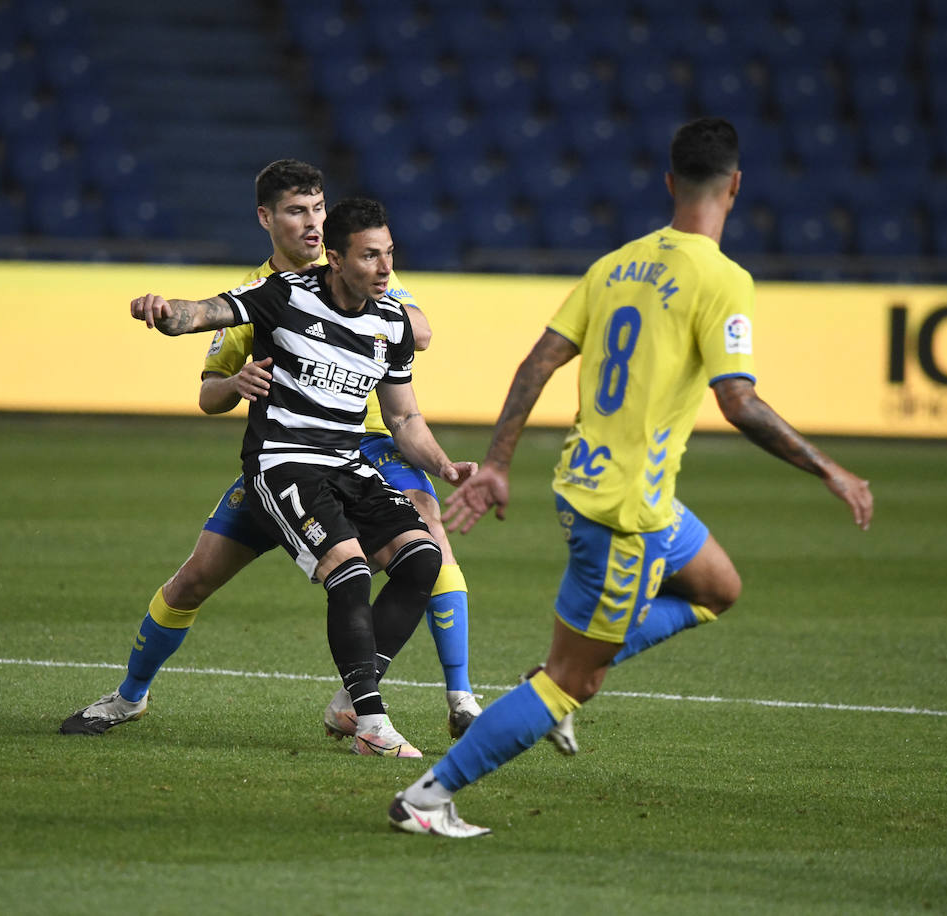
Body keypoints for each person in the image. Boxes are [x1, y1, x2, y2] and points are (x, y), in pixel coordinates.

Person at [388, 117, 874, 836]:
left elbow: (536, 363)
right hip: (622, 513)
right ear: (736, 186)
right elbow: (738, 402)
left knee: (717, 587)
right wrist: (831, 470)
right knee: (573, 681)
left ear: (670, 182)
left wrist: (498, 463)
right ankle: (427, 799)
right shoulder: (724, 279)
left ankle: (559, 667)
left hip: (615, 490)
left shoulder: (616, 265)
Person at [59, 161, 482, 742]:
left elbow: (418, 334)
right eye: (296, 211)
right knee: (195, 579)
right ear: (266, 218)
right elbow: (208, 389)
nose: (312, 223)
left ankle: (450, 695)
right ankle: (129, 697)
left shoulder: (363, 269)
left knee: (425, 534)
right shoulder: (263, 294)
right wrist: (231, 379)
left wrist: (441, 460)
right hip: (284, 458)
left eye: (319, 209)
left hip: (361, 447)